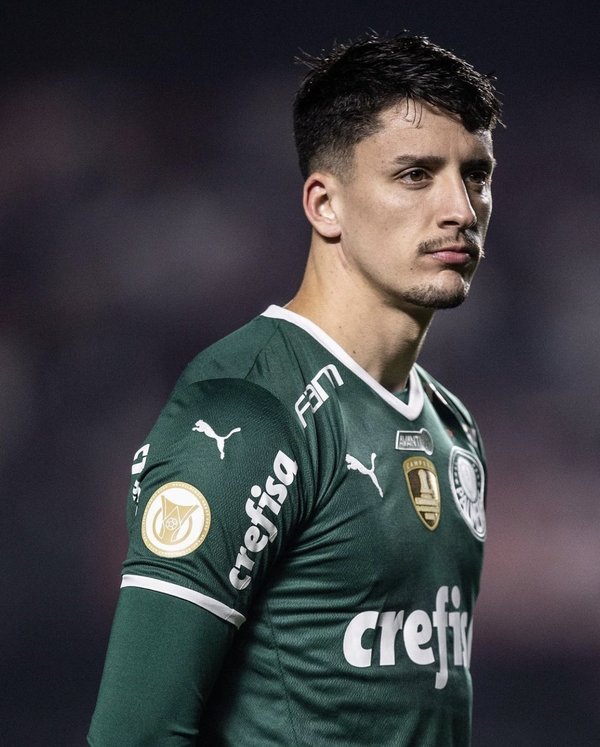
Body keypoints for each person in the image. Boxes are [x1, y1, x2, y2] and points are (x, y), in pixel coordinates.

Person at [88, 31, 501, 746]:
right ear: (324, 204)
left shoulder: (450, 425)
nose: (460, 209)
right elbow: (134, 733)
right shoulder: (247, 412)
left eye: (476, 175)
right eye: (415, 175)